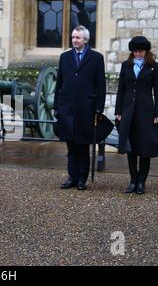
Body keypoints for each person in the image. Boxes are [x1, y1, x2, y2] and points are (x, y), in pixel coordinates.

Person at [115, 36, 158, 195]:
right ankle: (133, 180)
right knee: (131, 147)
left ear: (146, 51)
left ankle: (141, 182)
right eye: (134, 51)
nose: (137, 54)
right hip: (127, 111)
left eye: (140, 51)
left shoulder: (154, 67)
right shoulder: (125, 66)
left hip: (146, 112)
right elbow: (120, 89)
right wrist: (118, 111)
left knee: (145, 147)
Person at [54, 25, 106, 191]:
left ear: (85, 40)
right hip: (67, 106)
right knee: (71, 144)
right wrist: (57, 106)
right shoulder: (64, 57)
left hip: (86, 107)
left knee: (83, 145)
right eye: (73, 37)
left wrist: (99, 107)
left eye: (77, 38)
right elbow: (59, 83)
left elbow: (101, 85)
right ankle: (72, 176)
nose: (74, 40)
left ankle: (82, 178)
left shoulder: (96, 58)